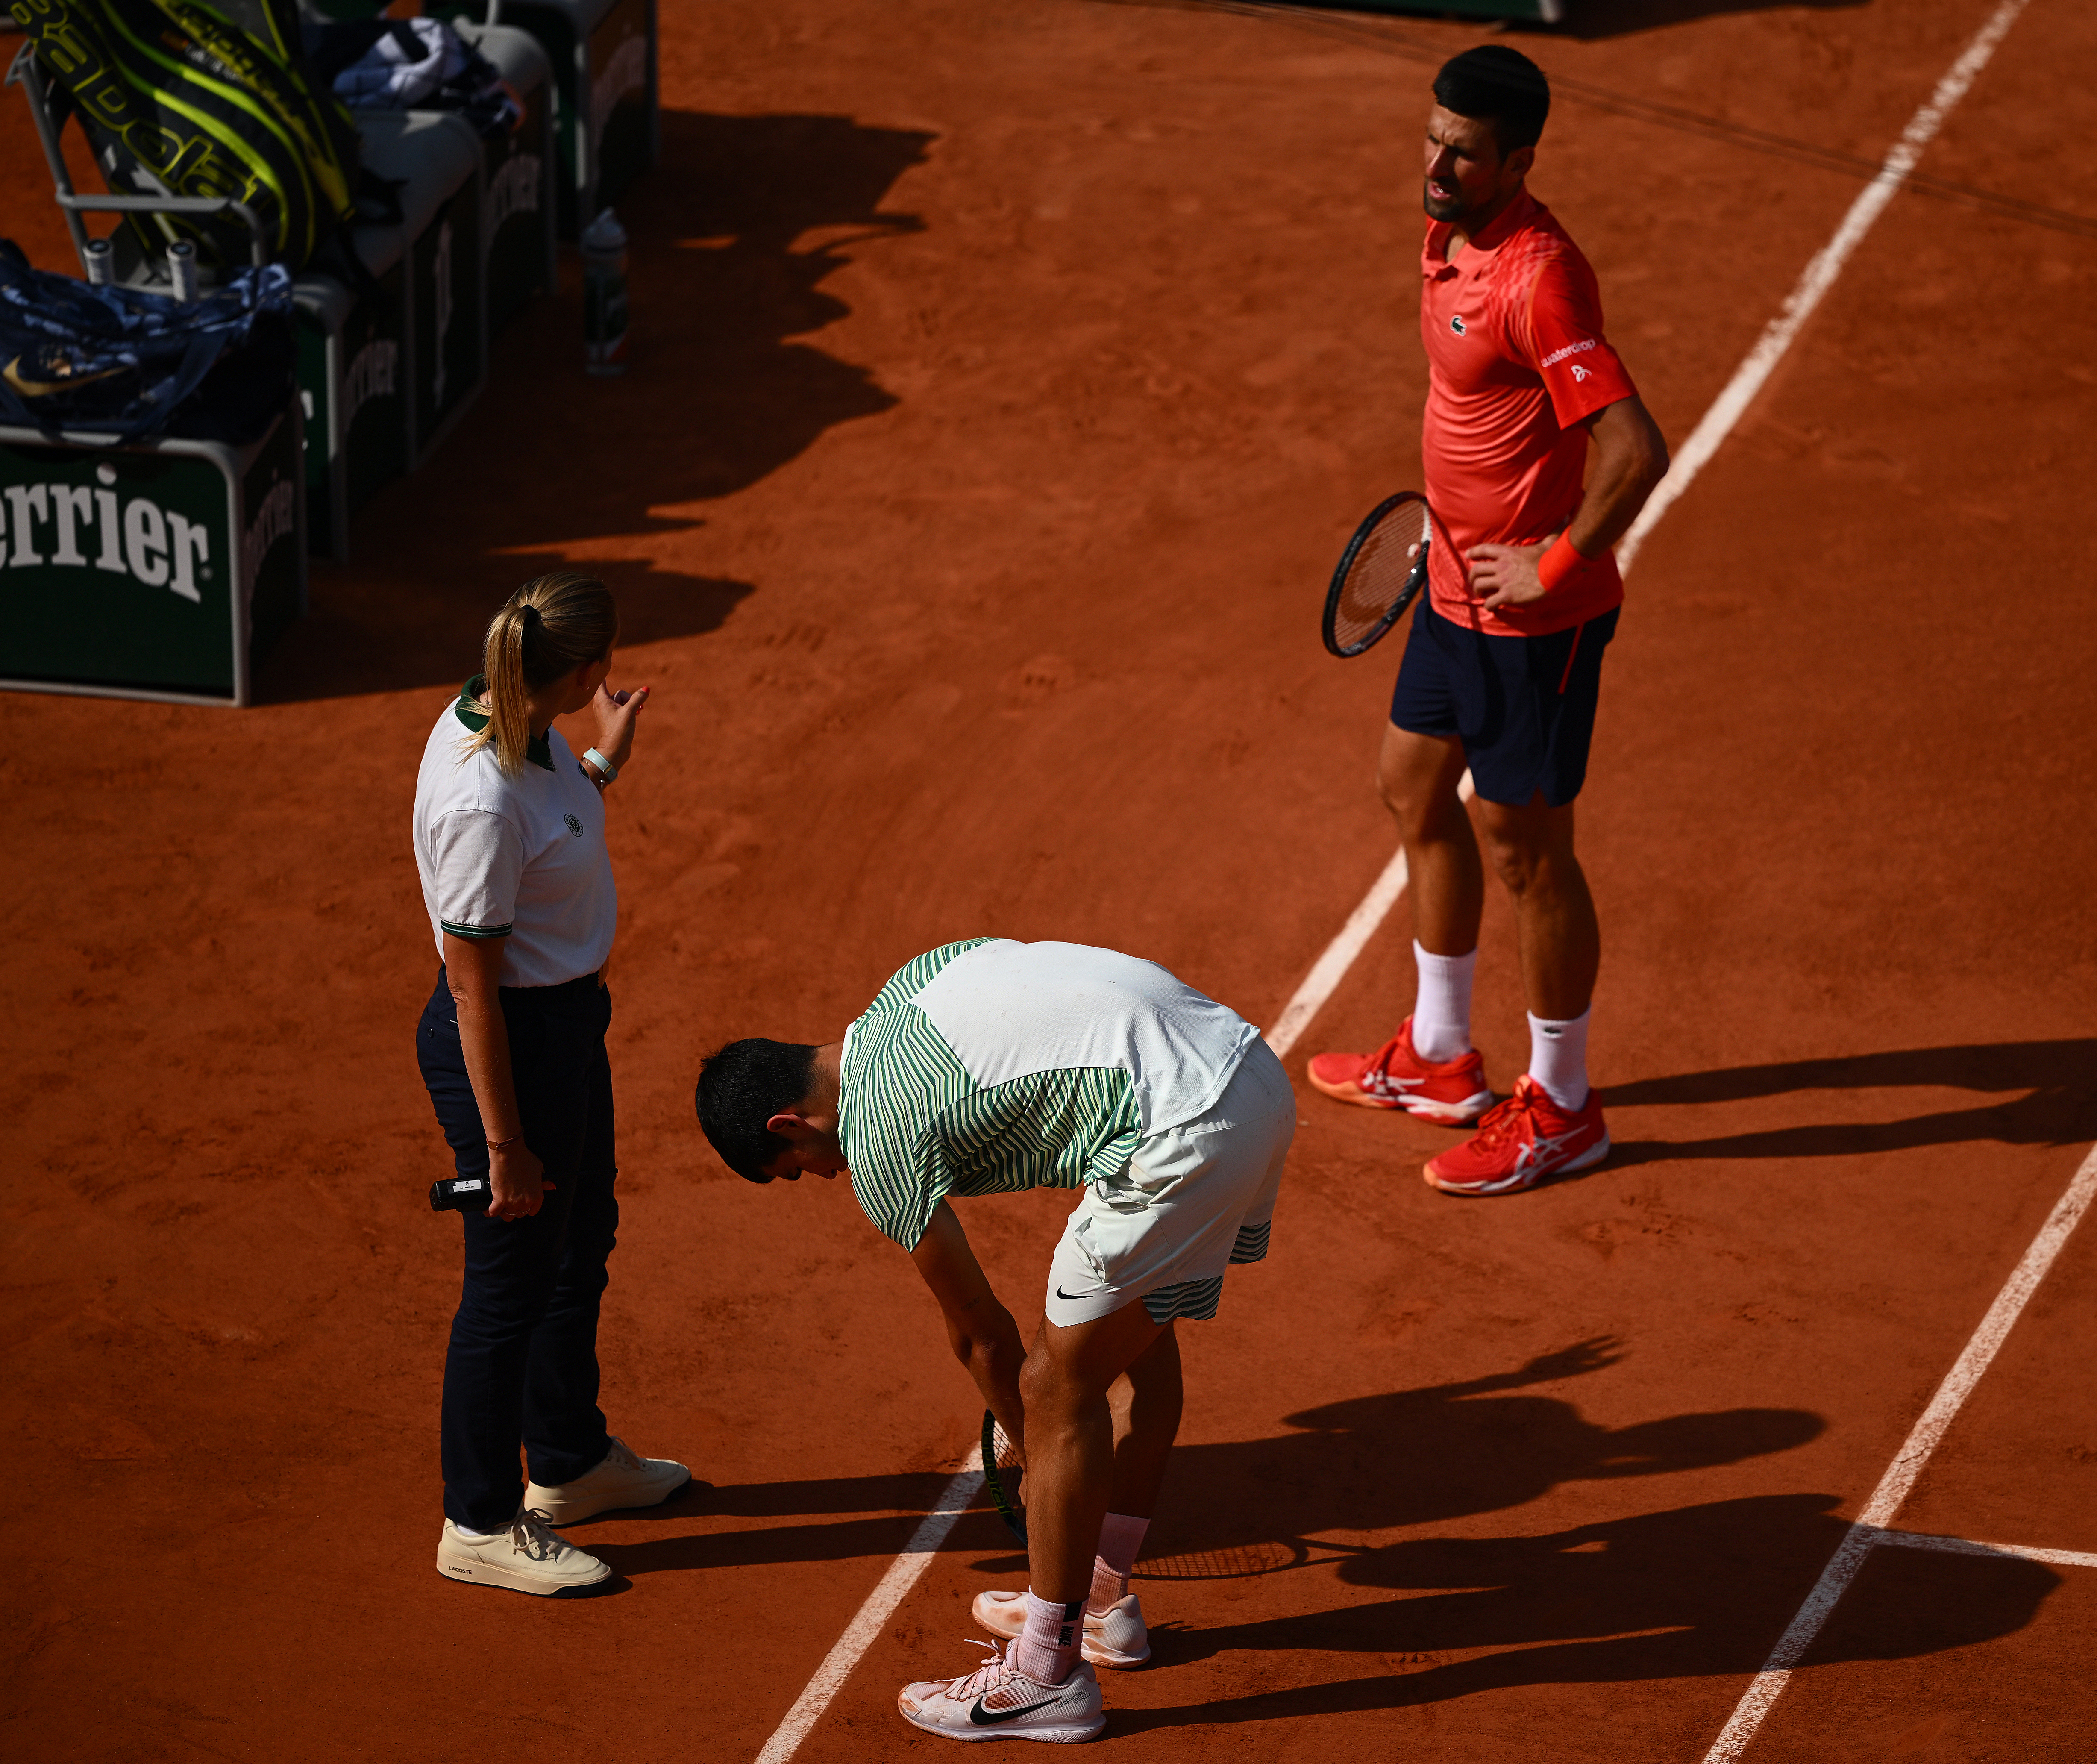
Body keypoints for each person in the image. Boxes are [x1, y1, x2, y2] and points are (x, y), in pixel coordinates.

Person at [694, 938, 1295, 1743]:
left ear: (790, 1122)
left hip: (1183, 1132)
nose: (824, 1176)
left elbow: (982, 1338)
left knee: (1057, 1387)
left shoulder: (875, 1139)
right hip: (1251, 1073)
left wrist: (1033, 1444)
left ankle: (1045, 1676)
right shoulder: (910, 983)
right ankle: (1104, 1601)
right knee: (1138, 1352)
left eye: (798, 1165)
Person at [1308, 46, 1669, 1197]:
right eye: (1432, 137)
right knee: (1412, 786)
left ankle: (1563, 1107)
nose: (1437, 162)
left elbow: (1632, 448)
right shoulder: (1448, 235)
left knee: (1528, 855)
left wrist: (1556, 559)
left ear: (1518, 160)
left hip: (1530, 626)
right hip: (1449, 589)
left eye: (1463, 151)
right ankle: (1437, 1056)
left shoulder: (1538, 275)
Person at [413, 572, 690, 1594]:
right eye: (604, 665)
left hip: (565, 1028)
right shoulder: (479, 799)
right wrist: (503, 1146)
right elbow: (472, 992)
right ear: (583, 670)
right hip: (512, 1047)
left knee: (580, 1244)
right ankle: (478, 1520)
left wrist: (603, 766)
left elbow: (553, 823)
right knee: (508, 1288)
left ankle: (567, 1464)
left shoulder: (518, 725)